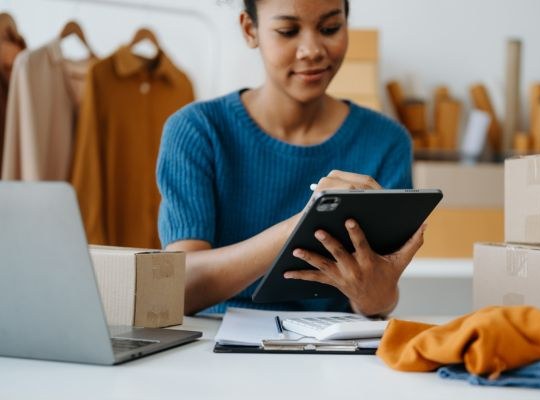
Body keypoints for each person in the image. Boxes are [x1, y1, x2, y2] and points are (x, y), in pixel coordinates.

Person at [156, 0, 424, 317]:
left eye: (330, 28)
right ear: (249, 30)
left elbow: (377, 304)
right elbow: (178, 288)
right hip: (214, 351)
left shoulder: (386, 141)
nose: (311, 50)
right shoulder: (197, 131)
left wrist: (376, 293)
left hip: (333, 354)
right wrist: (303, 224)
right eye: (288, 31)